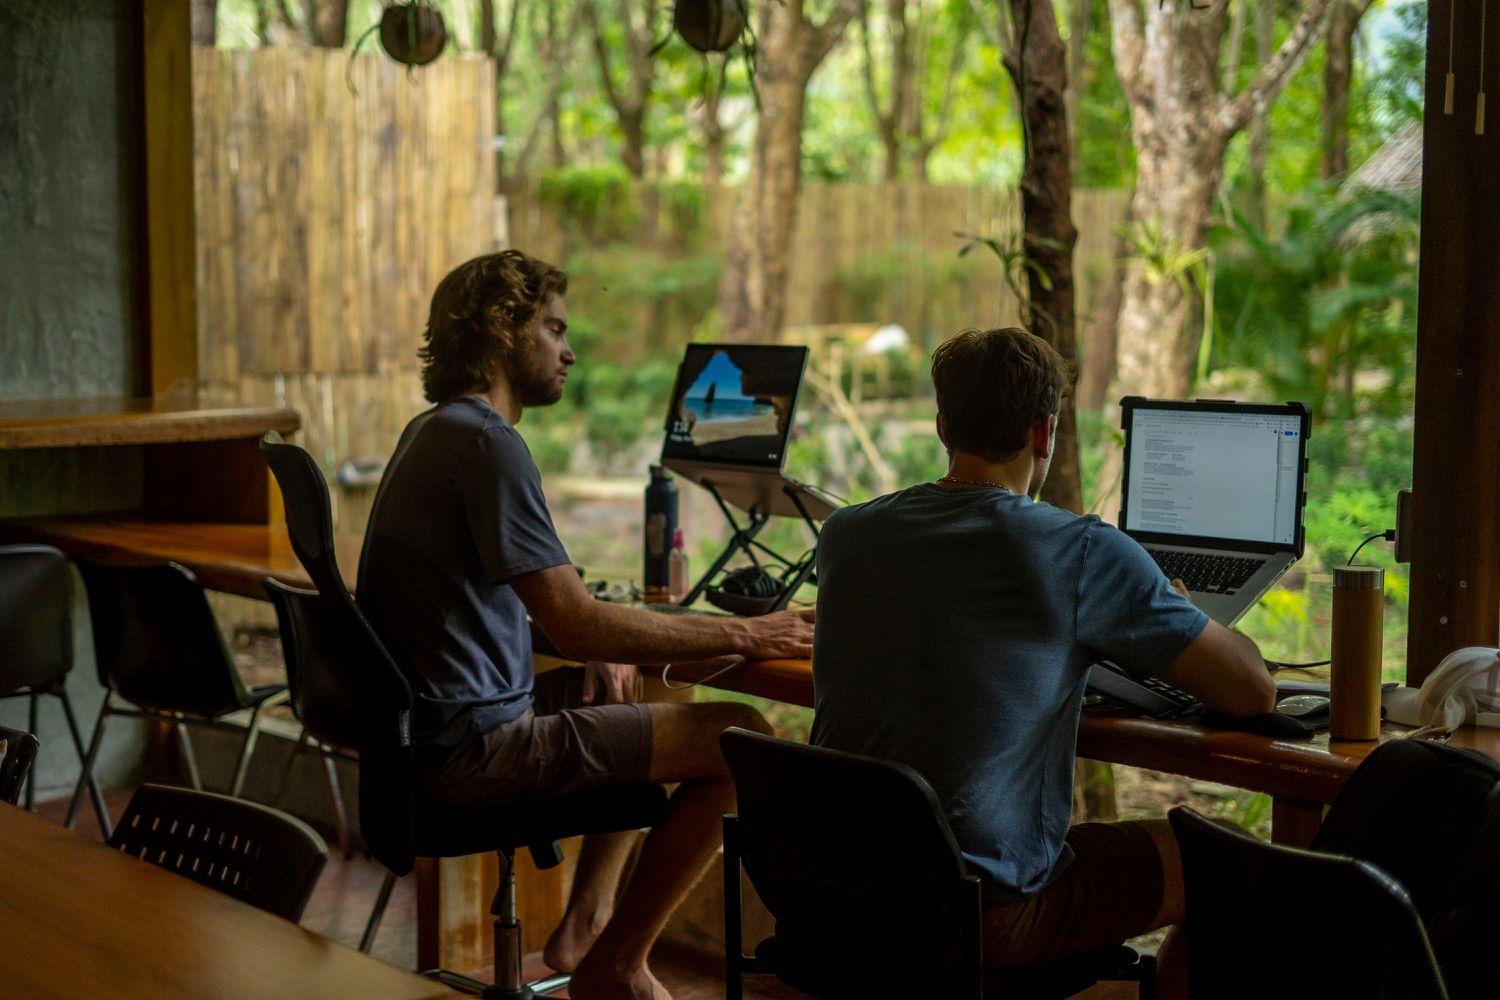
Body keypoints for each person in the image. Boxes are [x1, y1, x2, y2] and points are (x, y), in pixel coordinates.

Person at [357, 250, 815, 1000]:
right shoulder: (487, 444)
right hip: (476, 748)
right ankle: (618, 964)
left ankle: (587, 928)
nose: (568, 351)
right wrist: (750, 633)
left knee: (663, 692)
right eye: (554, 328)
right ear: (505, 330)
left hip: (433, 734)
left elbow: (564, 614)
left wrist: (610, 640)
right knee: (744, 742)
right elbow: (574, 623)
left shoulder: (436, 430)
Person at [809, 327, 1274, 991]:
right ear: (1044, 433)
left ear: (943, 425)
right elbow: (1250, 692)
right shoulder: (1079, 552)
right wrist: (1176, 611)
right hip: (976, 914)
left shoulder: (846, 533)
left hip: (836, 893)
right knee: (1233, 860)